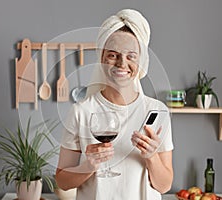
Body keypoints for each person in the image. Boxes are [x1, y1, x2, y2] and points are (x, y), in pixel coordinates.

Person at [55, 9, 174, 200]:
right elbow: (62, 181)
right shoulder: (81, 111)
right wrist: (88, 167)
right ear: (101, 58)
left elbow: (164, 185)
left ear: (141, 60)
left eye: (131, 56)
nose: (121, 63)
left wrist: (151, 156)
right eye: (112, 55)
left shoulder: (157, 111)